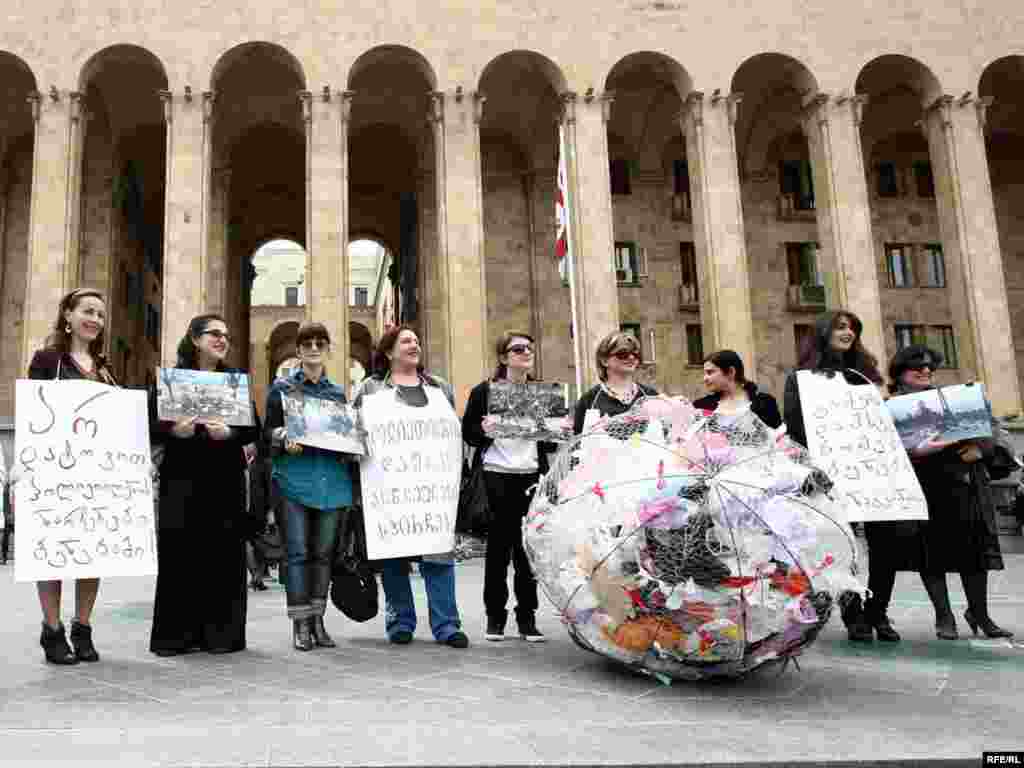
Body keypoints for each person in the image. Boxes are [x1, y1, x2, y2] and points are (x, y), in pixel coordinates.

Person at [148, 314, 260, 656]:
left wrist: (229, 433)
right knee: (180, 554)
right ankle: (177, 636)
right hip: (181, 477)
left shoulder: (234, 382)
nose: (222, 340)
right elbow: (150, 425)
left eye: (226, 335)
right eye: (214, 334)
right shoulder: (171, 380)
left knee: (223, 556)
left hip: (223, 478)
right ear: (195, 339)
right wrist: (172, 432)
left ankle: (221, 636)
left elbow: (253, 428)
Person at [353, 325, 469, 648]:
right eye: (406, 341)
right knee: (393, 557)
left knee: (439, 556)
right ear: (389, 351)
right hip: (390, 487)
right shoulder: (371, 389)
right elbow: (355, 430)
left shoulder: (440, 388)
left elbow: (450, 433)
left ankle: (447, 625)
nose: (414, 345)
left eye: (417, 341)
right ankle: (400, 621)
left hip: (431, 487)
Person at [888, 345, 1012, 640]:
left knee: (974, 552)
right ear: (900, 373)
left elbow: (991, 430)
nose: (925, 371)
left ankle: (979, 614)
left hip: (962, 485)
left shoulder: (956, 398)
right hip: (920, 489)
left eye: (930, 366)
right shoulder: (889, 407)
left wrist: (981, 450)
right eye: (917, 366)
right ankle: (944, 616)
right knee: (930, 554)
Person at [782, 310, 891, 643]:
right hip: (830, 475)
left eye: (853, 328)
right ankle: (854, 613)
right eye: (841, 327)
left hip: (870, 471)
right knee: (845, 545)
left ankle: (879, 611)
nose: (848, 332)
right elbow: (795, 428)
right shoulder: (802, 378)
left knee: (886, 545)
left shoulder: (865, 375)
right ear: (824, 332)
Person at [28, 288, 118, 664]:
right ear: (68, 315)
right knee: (53, 552)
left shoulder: (105, 368)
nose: (94, 319)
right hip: (55, 471)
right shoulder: (48, 360)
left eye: (100, 313)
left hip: (96, 475)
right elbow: (35, 411)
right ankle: (52, 631)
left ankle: (83, 627)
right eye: (87, 311)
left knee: (90, 553)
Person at [264, 322, 356, 651]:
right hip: (293, 480)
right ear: (299, 349)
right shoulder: (281, 390)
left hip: (331, 482)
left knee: (323, 555)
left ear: (327, 348)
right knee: (298, 554)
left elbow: (345, 437)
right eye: (307, 343)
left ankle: (318, 620)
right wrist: (280, 437)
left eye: (320, 342)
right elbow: (267, 433)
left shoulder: (337, 394)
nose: (314, 348)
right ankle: (300, 624)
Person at [463, 332, 555, 643]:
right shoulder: (485, 391)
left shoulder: (542, 393)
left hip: (531, 476)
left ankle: (527, 617)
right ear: (504, 357)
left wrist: (558, 430)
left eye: (529, 348)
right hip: (496, 475)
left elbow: (550, 439)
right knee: (499, 550)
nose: (526, 352)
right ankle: (495, 618)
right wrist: (485, 430)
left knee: (526, 550)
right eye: (518, 349)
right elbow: (470, 434)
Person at [573, 331, 657, 435]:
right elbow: (577, 443)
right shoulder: (589, 400)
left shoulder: (651, 396)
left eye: (635, 354)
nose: (631, 358)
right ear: (604, 360)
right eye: (623, 354)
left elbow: (668, 438)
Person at [693, 349, 782, 427]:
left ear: (731, 372)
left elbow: (778, 439)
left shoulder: (764, 403)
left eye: (710, 372)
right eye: (704, 374)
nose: (705, 378)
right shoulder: (701, 406)